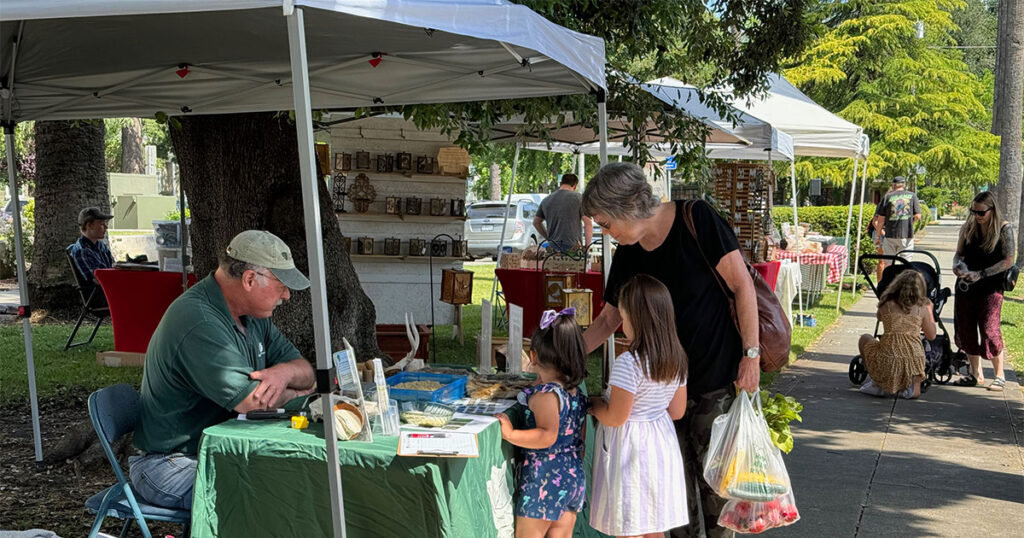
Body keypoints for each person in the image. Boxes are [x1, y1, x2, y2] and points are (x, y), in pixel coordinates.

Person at [580, 162, 760, 538]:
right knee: (670, 501)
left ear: (628, 206)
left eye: (606, 223)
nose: (605, 233)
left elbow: (743, 286)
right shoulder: (628, 253)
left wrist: (751, 354)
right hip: (660, 399)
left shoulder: (698, 219)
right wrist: (566, 356)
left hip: (714, 380)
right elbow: (607, 321)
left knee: (719, 495)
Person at [131, 230, 316, 510]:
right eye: (282, 285)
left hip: (211, 449)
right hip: (169, 463)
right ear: (250, 279)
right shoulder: (198, 320)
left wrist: (284, 375)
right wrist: (304, 391)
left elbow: (306, 370)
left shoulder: (251, 316)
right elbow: (253, 404)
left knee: (295, 481)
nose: (287, 295)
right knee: (273, 498)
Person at [589, 274, 689, 537]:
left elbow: (616, 417)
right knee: (653, 523)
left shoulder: (628, 363)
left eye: (623, 316)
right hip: (660, 445)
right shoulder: (677, 358)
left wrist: (594, 404)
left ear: (636, 318)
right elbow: (677, 411)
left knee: (629, 520)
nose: (622, 324)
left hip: (630, 449)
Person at [495, 308, 589, 538]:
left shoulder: (545, 395)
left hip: (543, 481)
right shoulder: (576, 393)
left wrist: (510, 434)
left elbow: (547, 435)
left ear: (533, 357)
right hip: (572, 477)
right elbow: (581, 438)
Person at [951, 192, 1016, 391]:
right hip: (966, 286)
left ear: (992, 210)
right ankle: (975, 374)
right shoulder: (968, 228)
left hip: (991, 287)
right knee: (966, 328)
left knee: (990, 328)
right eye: (974, 211)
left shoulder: (1004, 229)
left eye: (981, 212)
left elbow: (1008, 260)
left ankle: (999, 375)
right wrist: (957, 266)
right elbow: (959, 253)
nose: (977, 216)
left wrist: (982, 273)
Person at [857, 270, 937, 399]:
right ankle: (912, 388)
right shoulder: (922, 307)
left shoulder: (886, 303)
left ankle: (876, 382)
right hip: (913, 358)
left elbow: (880, 318)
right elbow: (931, 335)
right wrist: (930, 312)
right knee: (916, 355)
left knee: (865, 338)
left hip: (889, 354)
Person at [534, 173, 594, 253]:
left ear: (561, 183)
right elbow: (588, 223)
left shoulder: (546, 200)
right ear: (575, 186)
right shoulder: (579, 199)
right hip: (573, 248)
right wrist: (587, 247)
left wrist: (548, 237)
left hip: (553, 248)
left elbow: (536, 222)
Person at [873, 176, 921, 274]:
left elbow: (880, 220)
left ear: (894, 185)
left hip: (890, 235)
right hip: (906, 235)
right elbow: (918, 216)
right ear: (904, 185)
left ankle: (888, 283)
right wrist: (909, 223)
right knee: (907, 264)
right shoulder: (912, 196)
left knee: (888, 264)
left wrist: (878, 236)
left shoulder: (887, 197)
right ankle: (904, 285)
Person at [68, 206, 115, 304]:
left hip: (110, 292)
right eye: (102, 224)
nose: (105, 227)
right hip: (100, 297)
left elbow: (113, 267)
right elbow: (98, 280)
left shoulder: (101, 246)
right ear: (89, 225)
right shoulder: (82, 251)